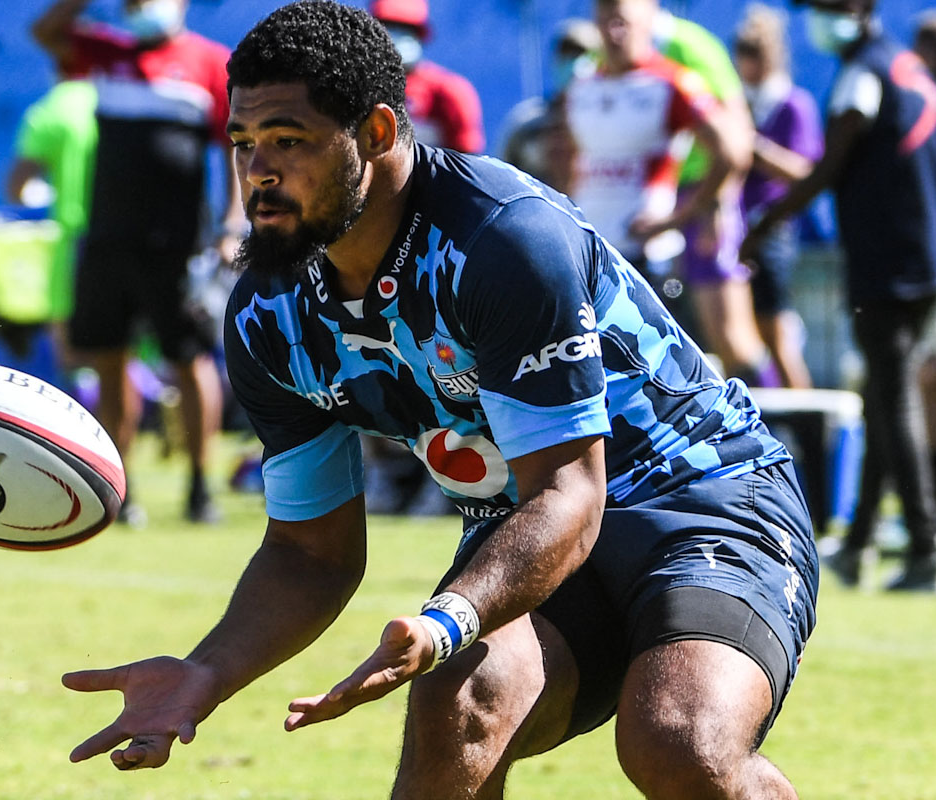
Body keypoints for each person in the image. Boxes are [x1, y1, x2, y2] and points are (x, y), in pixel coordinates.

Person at [61, 3, 819, 797]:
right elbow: (309, 551)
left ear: (379, 133)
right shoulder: (267, 315)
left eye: (289, 141)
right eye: (244, 144)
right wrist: (204, 673)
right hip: (530, 524)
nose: (259, 172)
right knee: (456, 705)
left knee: (679, 742)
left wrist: (448, 617)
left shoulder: (502, 241)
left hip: (704, 501)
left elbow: (571, 492)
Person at [743, 0, 936, 594]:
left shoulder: (861, 74)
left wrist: (766, 222)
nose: (819, 19)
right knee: (881, 391)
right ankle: (860, 543)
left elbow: (831, 167)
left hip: (888, 263)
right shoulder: (910, 69)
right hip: (928, 263)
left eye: (830, 8)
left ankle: (927, 550)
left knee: (893, 394)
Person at [32, 0, 241, 525]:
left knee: (187, 359)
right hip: (108, 236)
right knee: (108, 358)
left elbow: (235, 147)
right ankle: (120, 486)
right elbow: (47, 31)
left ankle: (199, 486)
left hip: (177, 243)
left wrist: (232, 224)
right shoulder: (107, 51)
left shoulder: (207, 62)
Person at [561, 0, 764, 392]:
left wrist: (684, 215)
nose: (614, 31)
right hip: (587, 255)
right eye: (606, 20)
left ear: (647, 21)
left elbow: (732, 150)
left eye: (623, 21)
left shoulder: (672, 81)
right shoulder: (582, 84)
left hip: (645, 261)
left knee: (662, 378)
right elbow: (569, 160)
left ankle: (778, 431)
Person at [648, 0, 777, 389]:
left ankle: (778, 437)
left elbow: (735, 130)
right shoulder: (610, 50)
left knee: (731, 335)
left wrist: (716, 204)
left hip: (702, 199)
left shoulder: (690, 46)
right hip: (662, 206)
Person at [733, 4, 821, 389]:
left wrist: (757, 149)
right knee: (741, 331)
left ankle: (807, 421)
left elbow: (806, 171)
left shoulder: (792, 104)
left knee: (776, 330)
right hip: (735, 227)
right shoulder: (739, 101)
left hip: (771, 229)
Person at [7, 55, 97, 330]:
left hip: (74, 238)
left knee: (71, 338)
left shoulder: (52, 109)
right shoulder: (123, 102)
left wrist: (44, 195)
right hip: (131, 236)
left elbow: (17, 187)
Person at [370, 0, 485, 154]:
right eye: (388, 26)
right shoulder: (361, 87)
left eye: (405, 29)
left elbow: (466, 159)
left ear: (419, 35)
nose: (395, 35)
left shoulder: (450, 92)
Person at [499, 19, 600, 192]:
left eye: (583, 55)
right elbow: (503, 179)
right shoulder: (526, 122)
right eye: (567, 56)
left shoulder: (610, 121)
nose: (575, 64)